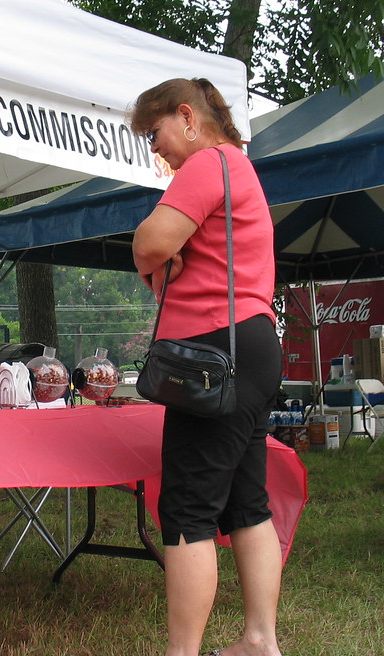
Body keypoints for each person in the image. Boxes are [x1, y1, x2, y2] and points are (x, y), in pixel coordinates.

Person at [131, 78, 283, 656]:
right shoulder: (238, 167)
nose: (156, 147)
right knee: (248, 502)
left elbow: (151, 244)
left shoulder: (206, 164)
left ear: (187, 116)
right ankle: (259, 640)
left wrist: (148, 244)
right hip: (252, 345)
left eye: (156, 131)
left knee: (189, 510)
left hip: (212, 356)